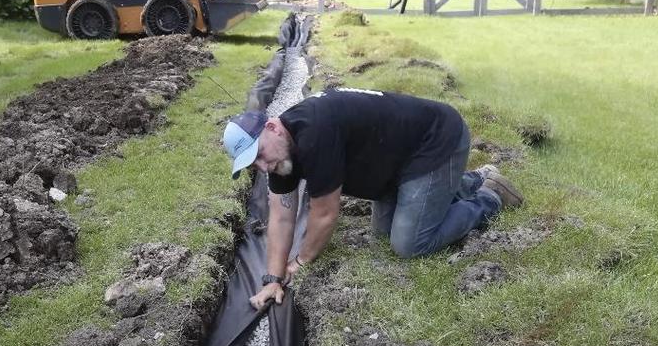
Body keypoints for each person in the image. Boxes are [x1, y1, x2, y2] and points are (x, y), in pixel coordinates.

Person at [221, 88, 523, 309]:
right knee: (383, 235)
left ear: (272, 127)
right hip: (397, 163)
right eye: (253, 165)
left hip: (436, 139)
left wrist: (300, 261)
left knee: (409, 243)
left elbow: (325, 214)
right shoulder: (279, 155)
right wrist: (272, 277)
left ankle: (488, 196)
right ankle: (463, 181)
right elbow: (282, 216)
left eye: (259, 155)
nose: (262, 168)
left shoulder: (314, 134)